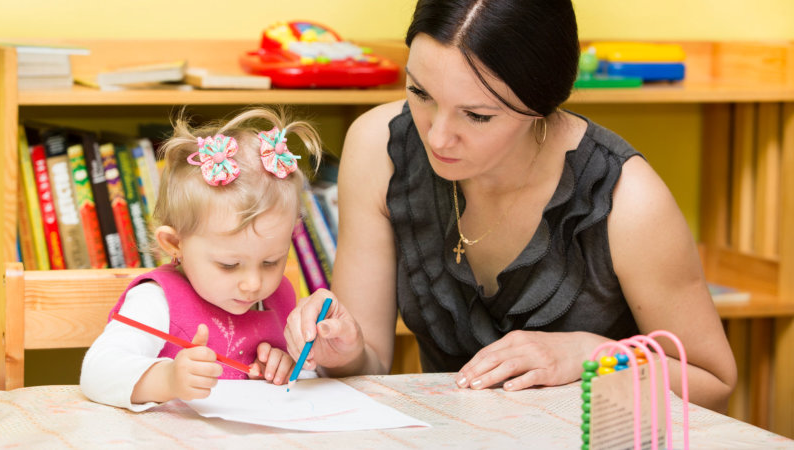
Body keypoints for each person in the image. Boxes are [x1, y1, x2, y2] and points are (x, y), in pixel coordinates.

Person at [284, 0, 737, 412]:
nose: (437, 136)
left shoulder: (627, 198)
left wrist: (590, 356)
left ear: (541, 104)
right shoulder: (378, 148)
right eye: (420, 93)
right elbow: (370, 364)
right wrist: (342, 350)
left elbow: (713, 381)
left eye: (477, 115)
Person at [81, 107, 322, 410]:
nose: (253, 283)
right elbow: (97, 372)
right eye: (229, 265)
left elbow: (313, 387)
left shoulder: (281, 298)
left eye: (271, 261)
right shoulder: (157, 301)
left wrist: (288, 369)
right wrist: (167, 379)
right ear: (174, 244)